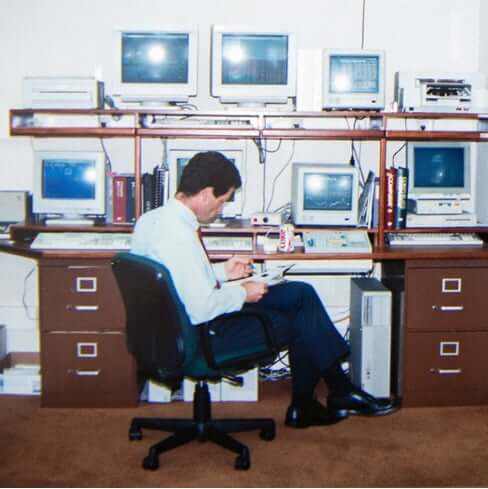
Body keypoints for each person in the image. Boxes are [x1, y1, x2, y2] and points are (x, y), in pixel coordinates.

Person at [131, 151, 397, 428]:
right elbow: (202, 308)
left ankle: (328, 396)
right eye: (223, 201)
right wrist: (244, 292)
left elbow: (175, 279)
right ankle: (327, 396)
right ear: (207, 193)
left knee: (299, 293)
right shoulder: (180, 235)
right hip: (200, 335)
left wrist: (223, 271)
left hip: (171, 331)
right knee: (299, 316)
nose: (221, 210)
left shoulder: (152, 220)